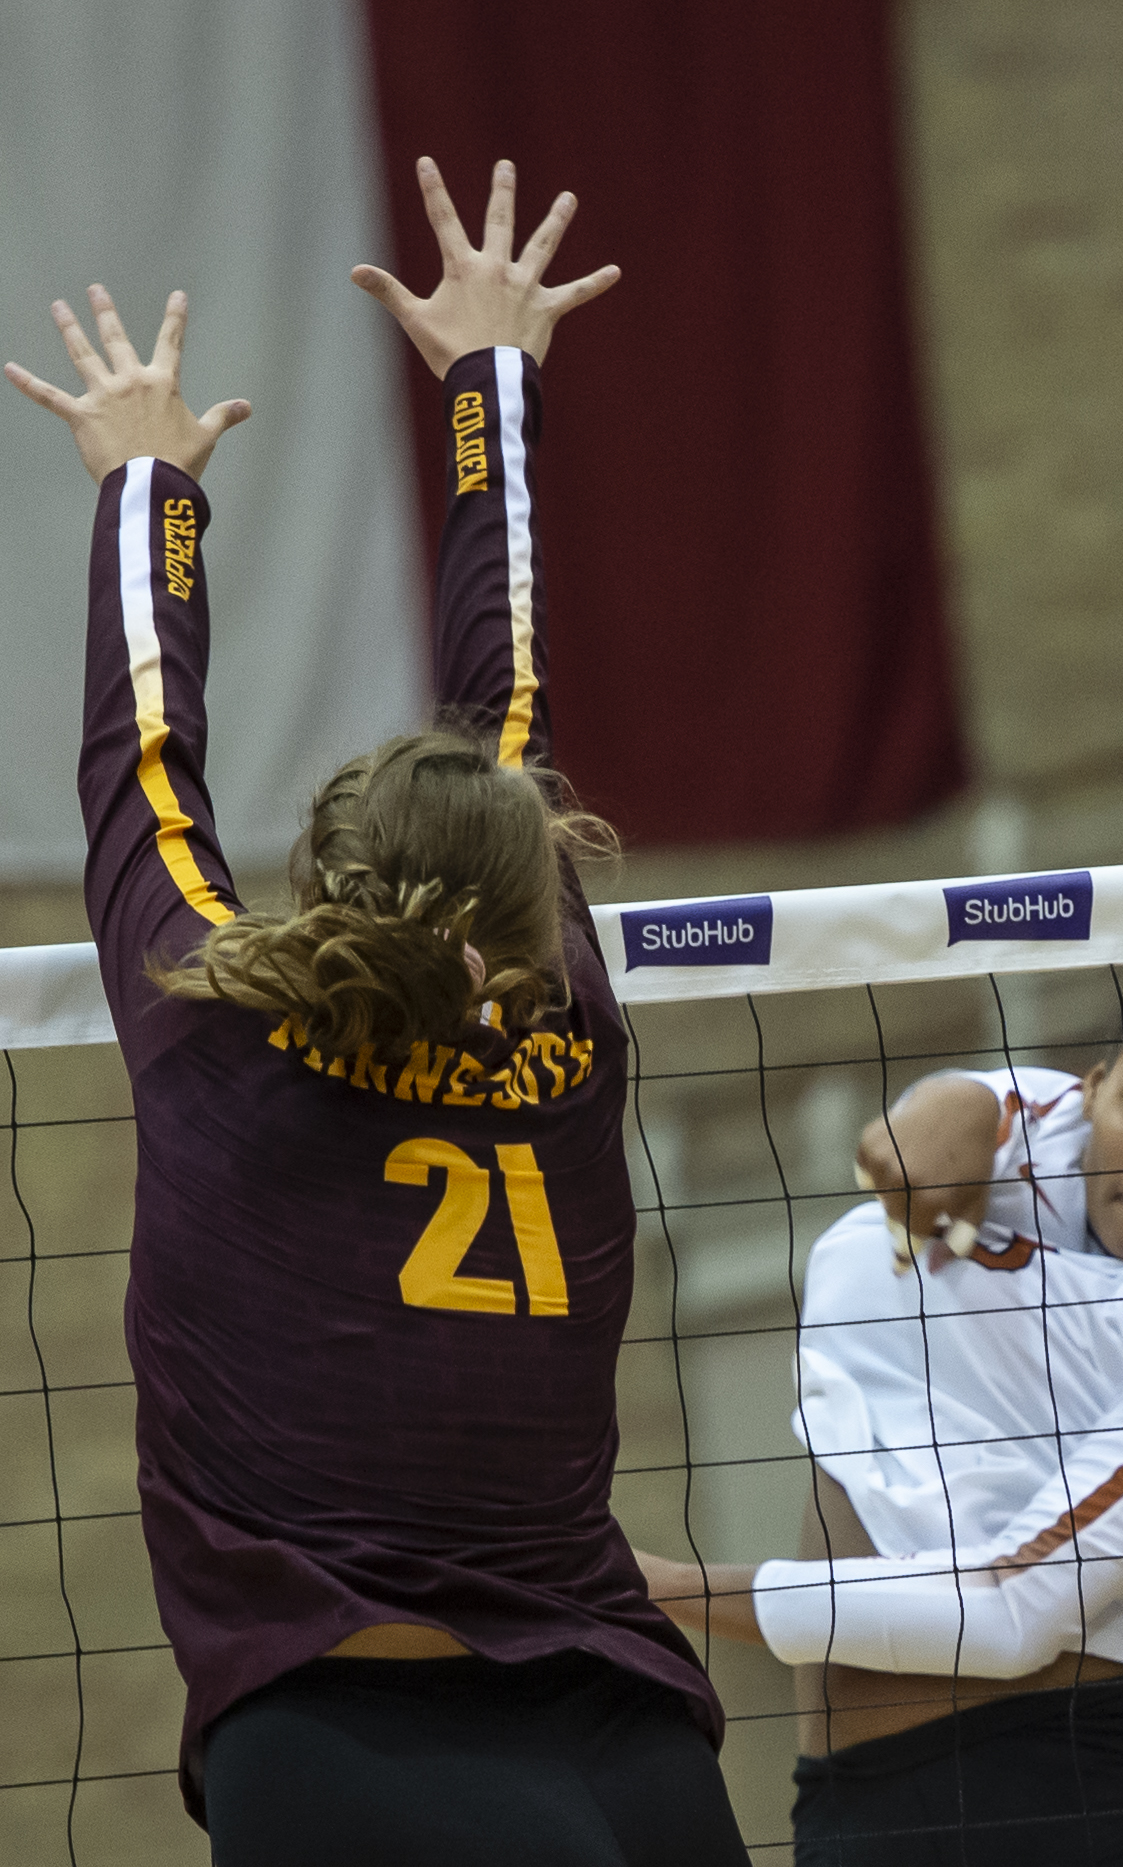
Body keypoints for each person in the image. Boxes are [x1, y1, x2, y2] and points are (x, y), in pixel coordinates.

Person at [4, 159, 749, 1867]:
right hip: (626, 1740)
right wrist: (493, 380)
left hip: (340, 1745)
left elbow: (141, 755)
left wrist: (145, 487)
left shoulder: (213, 1028)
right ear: (529, 889)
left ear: (332, 873)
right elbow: (514, 708)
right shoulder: (567, 1046)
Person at [635, 764, 1123, 1867]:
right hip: (850, 1811)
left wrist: (664, 1590)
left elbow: (1010, 1622)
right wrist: (932, 1109)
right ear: (1094, 1082)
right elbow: (945, 1123)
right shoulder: (1020, 1120)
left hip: (1070, 1795)